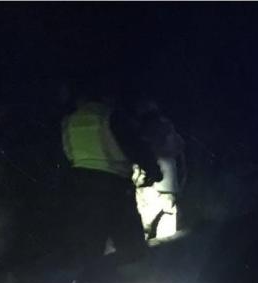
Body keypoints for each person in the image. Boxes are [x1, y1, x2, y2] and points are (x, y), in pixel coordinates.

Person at [60, 83, 161, 266]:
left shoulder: (70, 120)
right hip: (114, 185)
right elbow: (136, 146)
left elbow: (67, 152)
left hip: (80, 185)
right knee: (130, 245)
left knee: (89, 245)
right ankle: (133, 279)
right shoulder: (110, 116)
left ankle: (89, 280)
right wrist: (153, 171)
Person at [133, 100, 185, 240]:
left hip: (144, 185)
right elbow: (179, 148)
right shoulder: (167, 127)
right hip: (166, 187)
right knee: (165, 236)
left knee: (145, 230)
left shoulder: (135, 128)